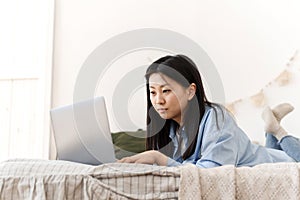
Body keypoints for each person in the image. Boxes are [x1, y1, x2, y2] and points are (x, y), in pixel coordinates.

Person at [118, 54, 299, 168]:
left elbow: (214, 172)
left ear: (190, 91)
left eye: (166, 91)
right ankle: (271, 130)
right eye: (152, 92)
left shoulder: (216, 118)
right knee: (267, 150)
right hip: (262, 154)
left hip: (280, 163)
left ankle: (277, 132)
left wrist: (160, 159)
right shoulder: (170, 130)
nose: (158, 100)